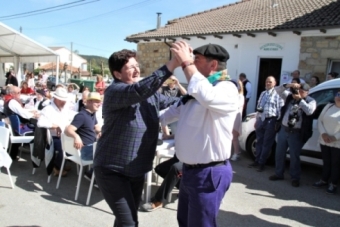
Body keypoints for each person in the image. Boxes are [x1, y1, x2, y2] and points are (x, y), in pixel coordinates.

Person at [93, 48, 180, 227]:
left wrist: (195, 95)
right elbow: (139, 90)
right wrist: (172, 64)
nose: (136, 69)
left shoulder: (151, 95)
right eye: (130, 67)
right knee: (129, 223)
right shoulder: (115, 91)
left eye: (136, 65)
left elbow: (174, 103)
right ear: (117, 73)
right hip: (111, 170)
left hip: (136, 170)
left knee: (126, 220)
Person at [160, 42, 238, 227]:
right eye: (192, 59)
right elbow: (168, 114)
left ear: (213, 65)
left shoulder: (226, 88)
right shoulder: (194, 94)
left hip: (209, 173)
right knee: (185, 222)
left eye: (197, 60)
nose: (191, 64)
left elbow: (207, 96)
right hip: (190, 171)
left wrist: (186, 63)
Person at [269, 83, 316, 187]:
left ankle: (295, 178)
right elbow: (277, 90)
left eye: (302, 92)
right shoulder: (290, 97)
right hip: (283, 130)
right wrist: (288, 85)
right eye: (298, 90)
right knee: (279, 153)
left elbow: (309, 111)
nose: (299, 93)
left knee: (294, 157)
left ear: (307, 93)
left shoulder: (311, 101)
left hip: (296, 133)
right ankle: (278, 173)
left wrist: (300, 100)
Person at [37, 87, 77, 176]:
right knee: (65, 147)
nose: (64, 102)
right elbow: (40, 123)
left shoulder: (64, 109)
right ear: (56, 99)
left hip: (64, 135)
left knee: (78, 143)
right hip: (53, 137)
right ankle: (57, 166)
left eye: (64, 100)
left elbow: (70, 117)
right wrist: (54, 125)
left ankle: (62, 162)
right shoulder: (48, 109)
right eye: (62, 100)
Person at [65, 92, 102, 184]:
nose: (99, 104)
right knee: (108, 153)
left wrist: (101, 131)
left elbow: (96, 127)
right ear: (89, 102)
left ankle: (95, 174)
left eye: (99, 102)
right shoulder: (82, 115)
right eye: (96, 101)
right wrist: (76, 136)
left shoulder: (92, 114)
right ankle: (93, 175)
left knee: (108, 149)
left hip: (91, 147)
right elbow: (68, 130)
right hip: (84, 151)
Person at [248, 76, 284, 171]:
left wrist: (277, 122)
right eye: (267, 81)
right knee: (259, 141)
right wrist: (256, 120)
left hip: (271, 121)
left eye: (270, 82)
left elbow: (280, 109)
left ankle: (262, 163)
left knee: (267, 143)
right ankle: (257, 160)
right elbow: (259, 107)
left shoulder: (278, 94)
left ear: (275, 83)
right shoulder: (263, 93)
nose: (268, 83)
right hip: (261, 120)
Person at [313, 91, 340, 194]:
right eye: (338, 95)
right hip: (324, 140)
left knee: (335, 164)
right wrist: (323, 134)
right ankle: (324, 180)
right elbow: (320, 120)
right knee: (326, 162)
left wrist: (334, 137)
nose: (339, 97)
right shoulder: (328, 106)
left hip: (337, 142)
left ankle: (333, 184)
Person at [3, 86, 39, 160]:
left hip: (15, 128)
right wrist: (34, 115)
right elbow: (23, 114)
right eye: (18, 93)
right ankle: (38, 156)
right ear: (12, 93)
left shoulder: (7, 100)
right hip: (20, 130)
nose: (20, 94)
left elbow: (21, 111)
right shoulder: (12, 102)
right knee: (41, 129)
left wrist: (30, 111)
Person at [230, 80, 244, 161]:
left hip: (236, 117)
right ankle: (236, 152)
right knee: (232, 137)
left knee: (234, 137)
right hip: (232, 117)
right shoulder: (234, 95)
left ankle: (236, 153)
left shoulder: (240, 96)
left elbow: (237, 106)